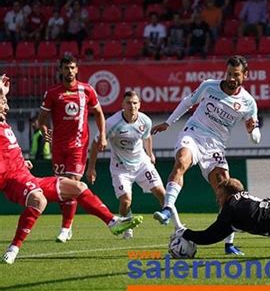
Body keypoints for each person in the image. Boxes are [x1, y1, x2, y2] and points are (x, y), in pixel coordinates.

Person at [0, 75, 143, 265]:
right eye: (3, 103)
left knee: (78, 186)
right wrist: (1, 91)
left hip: (26, 176)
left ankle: (113, 223)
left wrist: (22, 162)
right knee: (38, 200)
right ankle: (13, 248)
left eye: (6, 102)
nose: (6, 106)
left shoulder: (5, 125)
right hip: (12, 182)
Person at [151, 55, 260, 255]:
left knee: (228, 190)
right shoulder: (209, 86)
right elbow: (187, 102)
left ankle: (229, 244)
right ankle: (167, 209)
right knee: (182, 161)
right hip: (193, 133)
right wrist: (169, 122)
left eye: (236, 74)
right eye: (228, 73)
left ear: (246, 75)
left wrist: (252, 131)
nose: (231, 78)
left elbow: (256, 138)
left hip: (216, 146)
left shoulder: (248, 102)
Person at [38, 55, 107, 243]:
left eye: (72, 68)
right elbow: (40, 120)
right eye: (66, 68)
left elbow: (99, 113)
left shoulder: (87, 90)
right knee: (63, 187)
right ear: (60, 70)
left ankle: (65, 228)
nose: (69, 71)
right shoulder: (53, 93)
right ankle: (67, 226)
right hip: (58, 147)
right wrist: (45, 131)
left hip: (78, 146)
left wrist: (102, 135)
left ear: (77, 70)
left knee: (73, 182)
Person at [86, 91, 166, 240]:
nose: (132, 106)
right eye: (128, 103)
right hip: (120, 167)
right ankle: (127, 225)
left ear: (139, 105)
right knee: (125, 201)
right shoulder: (112, 123)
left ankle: (175, 224)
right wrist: (91, 168)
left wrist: (150, 154)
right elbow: (96, 143)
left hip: (142, 163)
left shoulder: (145, 121)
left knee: (162, 192)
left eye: (135, 103)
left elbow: (146, 137)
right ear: (122, 105)